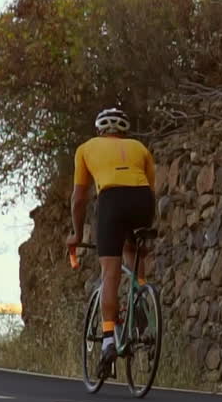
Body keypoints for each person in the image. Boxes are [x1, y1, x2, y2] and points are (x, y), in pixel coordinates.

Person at [64, 107, 156, 369]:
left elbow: (79, 199)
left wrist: (77, 233)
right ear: (125, 131)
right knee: (133, 251)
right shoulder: (141, 148)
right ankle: (139, 299)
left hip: (111, 201)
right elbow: (150, 190)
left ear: (100, 130)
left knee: (110, 273)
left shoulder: (86, 148)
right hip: (142, 202)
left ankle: (107, 341)